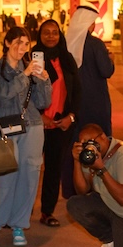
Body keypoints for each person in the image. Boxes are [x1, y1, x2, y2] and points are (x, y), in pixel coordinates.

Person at [0, 26, 52, 247]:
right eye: (18, 43)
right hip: (5, 126)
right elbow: (2, 95)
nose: (22, 48)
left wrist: (44, 80)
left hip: (32, 126)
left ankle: (18, 224)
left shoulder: (30, 68)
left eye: (26, 44)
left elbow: (43, 103)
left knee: (29, 176)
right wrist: (24, 76)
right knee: (4, 176)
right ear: (7, 43)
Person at [31, 18, 80, 228]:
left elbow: (77, 93)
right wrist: (38, 115)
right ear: (39, 36)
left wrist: (70, 117)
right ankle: (19, 212)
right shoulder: (31, 59)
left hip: (60, 123)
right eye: (46, 33)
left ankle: (47, 211)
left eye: (55, 32)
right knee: (30, 168)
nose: (51, 36)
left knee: (53, 169)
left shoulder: (67, 60)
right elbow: (25, 92)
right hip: (37, 122)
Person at [67, 4, 116, 144]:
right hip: (96, 100)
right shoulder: (96, 44)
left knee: (77, 138)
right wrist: (111, 61)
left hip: (74, 101)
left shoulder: (66, 43)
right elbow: (106, 70)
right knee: (98, 139)